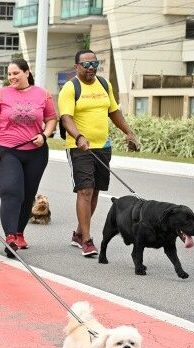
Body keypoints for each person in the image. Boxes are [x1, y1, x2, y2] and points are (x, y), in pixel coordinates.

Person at [60, 49, 139, 257]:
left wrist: (129, 133)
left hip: (103, 146)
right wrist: (78, 137)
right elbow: (66, 118)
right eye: (86, 65)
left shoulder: (104, 84)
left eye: (94, 63)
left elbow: (113, 111)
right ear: (76, 67)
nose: (91, 68)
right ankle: (87, 240)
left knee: (95, 191)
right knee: (85, 190)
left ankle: (78, 233)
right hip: (79, 147)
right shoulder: (70, 88)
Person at [0, 59, 57, 257]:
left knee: (27, 195)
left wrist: (44, 135)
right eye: (9, 74)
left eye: (16, 73)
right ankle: (9, 238)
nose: (12, 77)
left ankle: (19, 232)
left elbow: (51, 119)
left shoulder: (43, 94)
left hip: (36, 153)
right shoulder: (0, 95)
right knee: (11, 192)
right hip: (6, 151)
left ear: (26, 72)